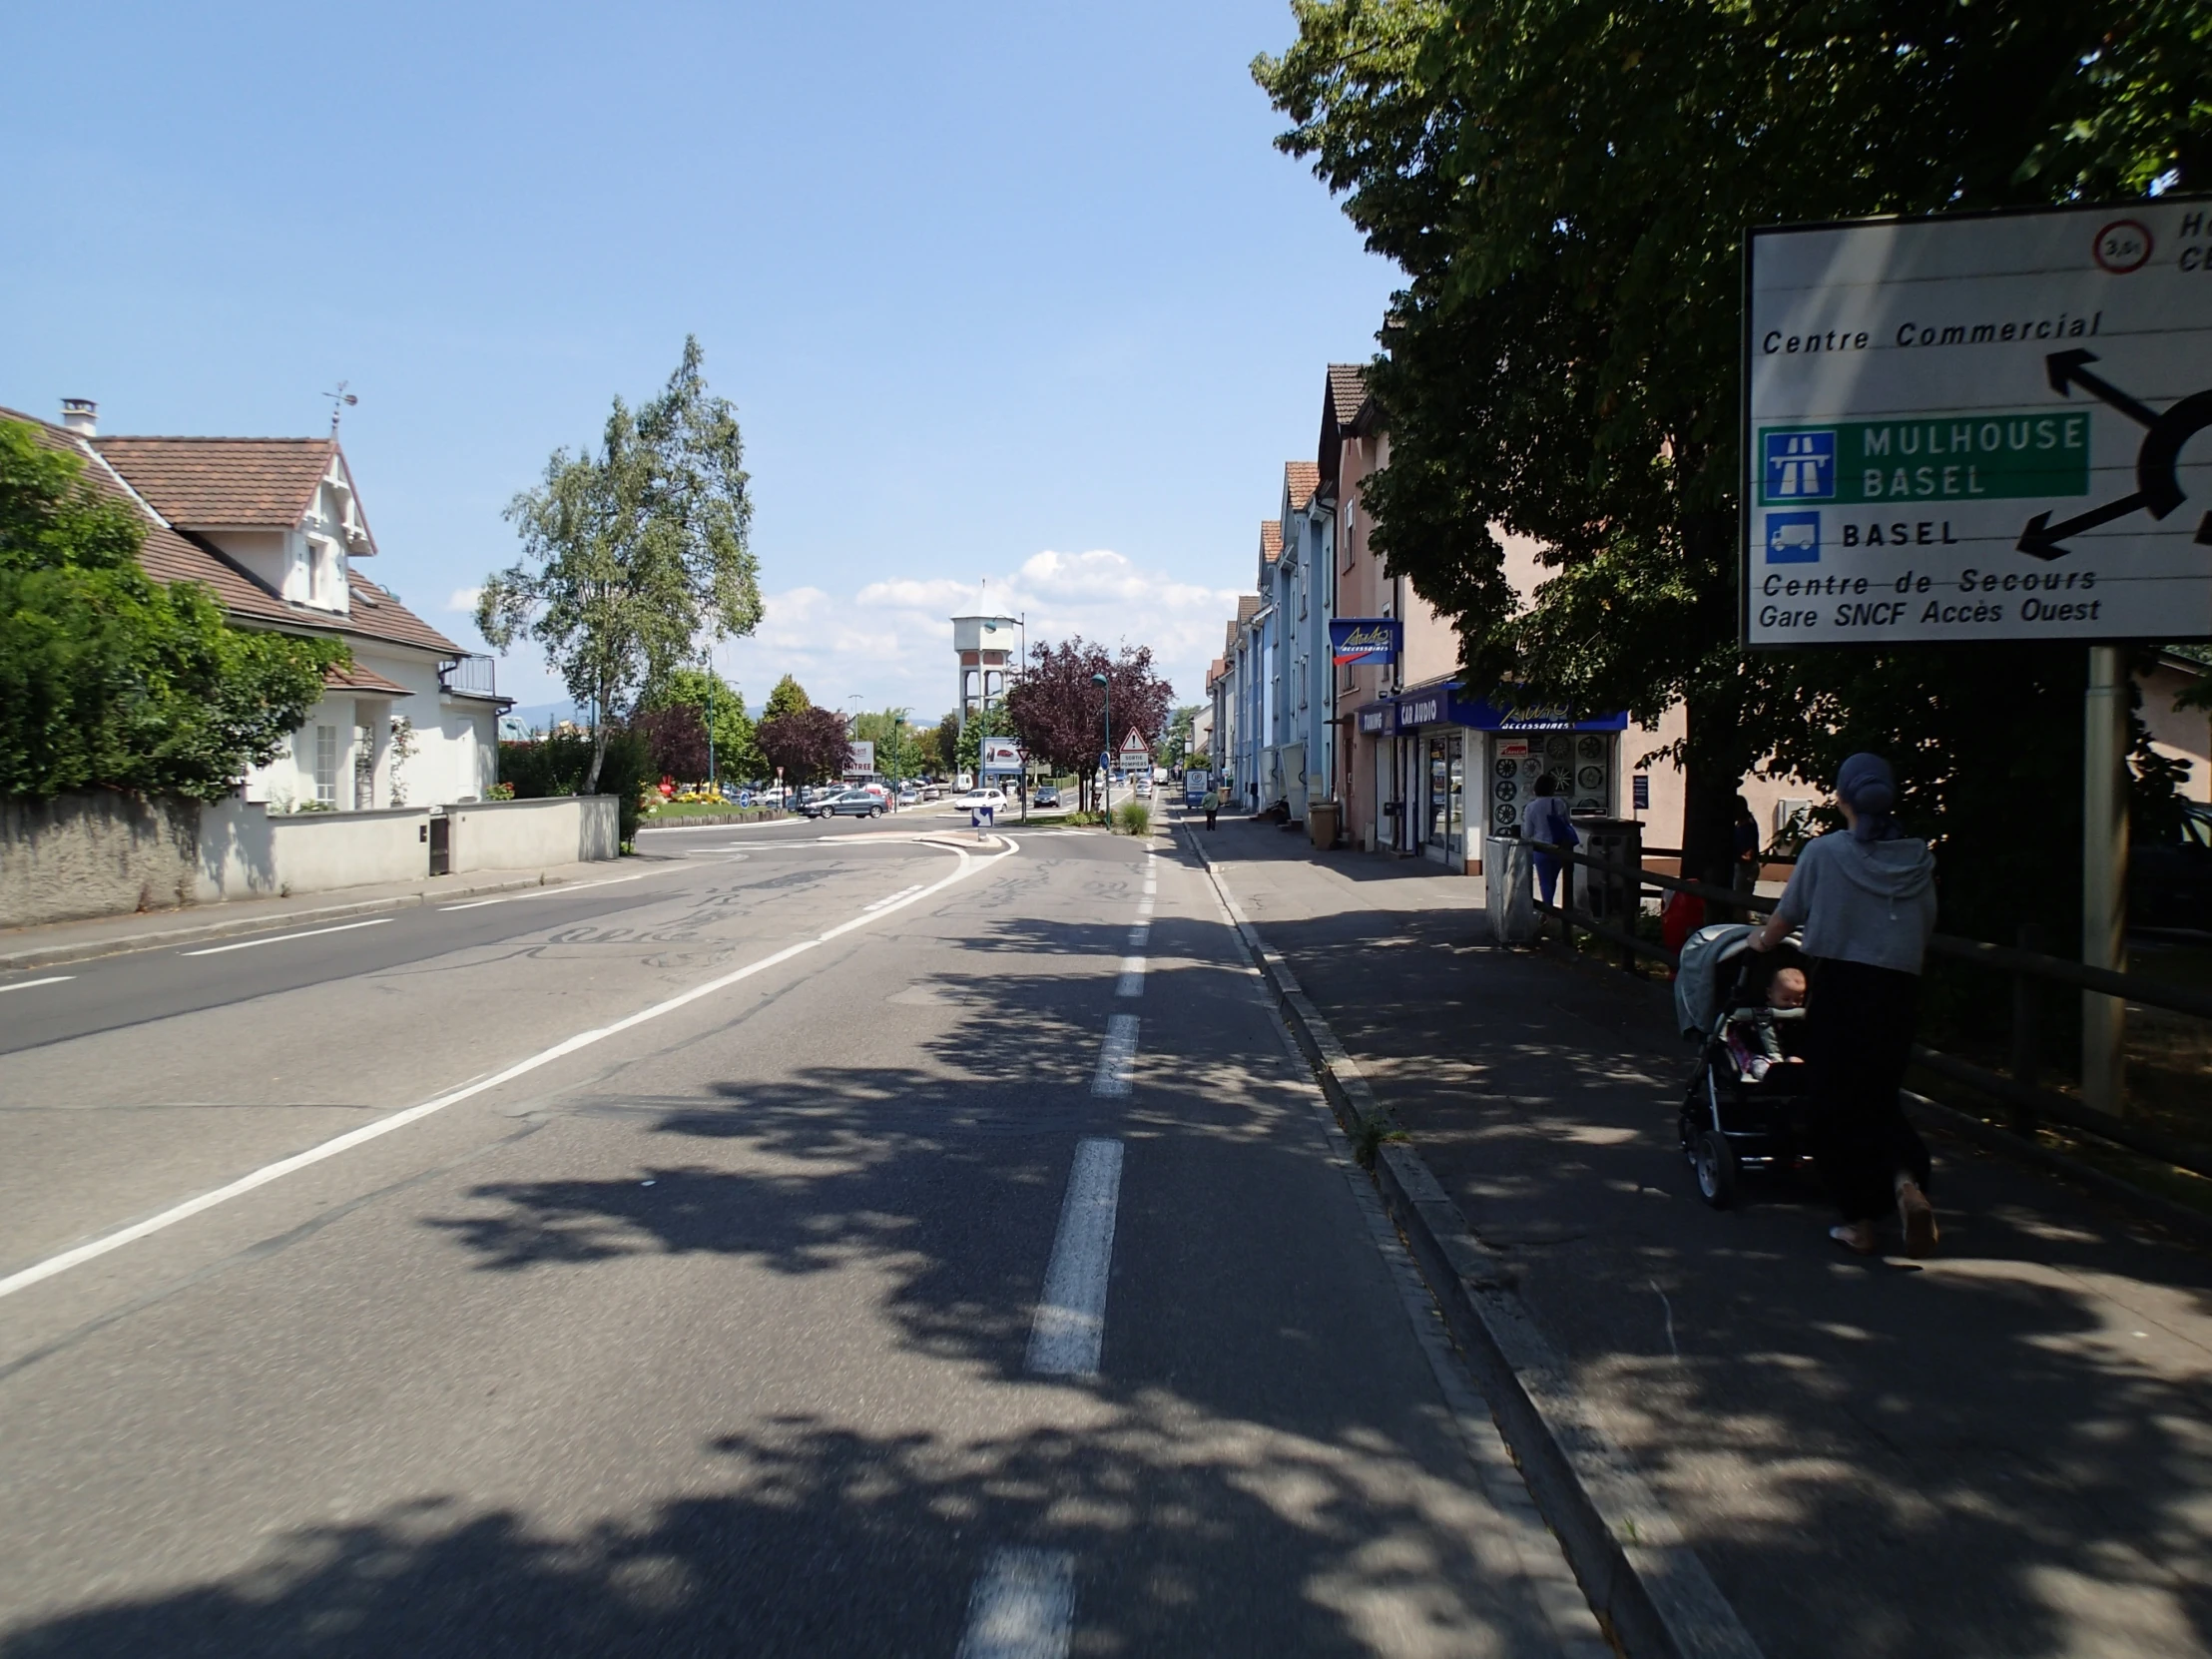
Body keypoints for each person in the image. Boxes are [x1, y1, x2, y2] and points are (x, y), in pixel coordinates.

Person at [1750, 754, 1938, 1256]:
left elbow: (1787, 914)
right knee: (1878, 1097)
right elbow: (1928, 923)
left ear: (1842, 797)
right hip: (1898, 991)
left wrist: (1762, 945)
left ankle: (1859, 1221)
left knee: (1834, 1104)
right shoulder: (1918, 858)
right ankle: (1905, 1183)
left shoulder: (1825, 852)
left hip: (1841, 986)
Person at [1523, 774, 1578, 918]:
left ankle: (1548, 911)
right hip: (1559, 847)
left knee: (1545, 881)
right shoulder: (1559, 803)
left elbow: (1527, 832)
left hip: (1541, 848)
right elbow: (1566, 823)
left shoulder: (1531, 807)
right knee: (1554, 879)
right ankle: (1554, 911)